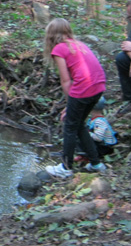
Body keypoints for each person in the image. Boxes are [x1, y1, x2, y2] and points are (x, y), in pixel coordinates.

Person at [43, 18, 107, 178]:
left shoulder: (59, 49)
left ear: (50, 35)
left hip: (84, 89)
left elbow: (66, 81)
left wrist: (68, 104)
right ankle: (96, 163)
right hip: (98, 87)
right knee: (79, 125)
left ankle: (65, 167)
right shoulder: (80, 45)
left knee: (70, 127)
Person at [75, 97, 118, 163]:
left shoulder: (99, 121)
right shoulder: (93, 120)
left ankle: (87, 155)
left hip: (104, 147)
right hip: (99, 145)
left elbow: (99, 138)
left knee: (82, 136)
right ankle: (84, 155)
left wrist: (86, 134)